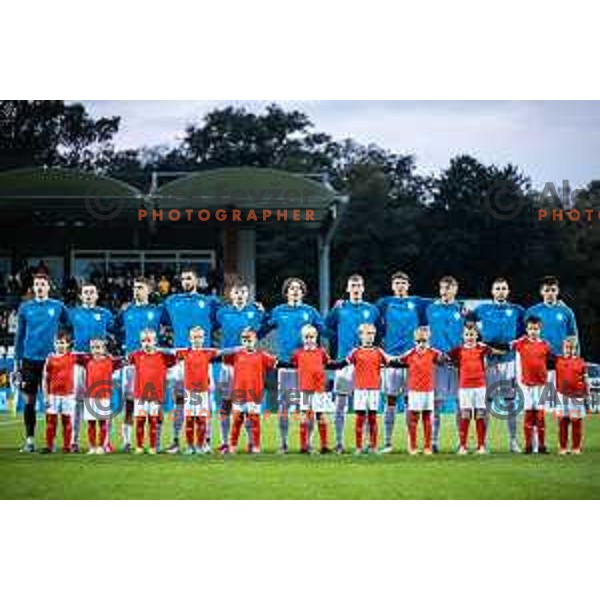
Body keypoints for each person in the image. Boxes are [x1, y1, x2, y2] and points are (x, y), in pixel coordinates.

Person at [162, 268, 221, 454]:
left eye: (189, 278)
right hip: (180, 359)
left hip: (203, 359)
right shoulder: (171, 301)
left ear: (196, 280)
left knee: (207, 402)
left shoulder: (209, 302)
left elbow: (219, 320)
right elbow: (164, 320)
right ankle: (176, 440)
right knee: (178, 401)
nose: (186, 281)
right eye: (183, 279)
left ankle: (207, 440)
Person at [263, 278, 324, 453]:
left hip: (307, 366)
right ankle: (283, 444)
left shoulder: (310, 311)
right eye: (291, 288)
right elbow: (263, 328)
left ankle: (308, 443)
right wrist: (259, 313)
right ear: (286, 292)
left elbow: (325, 330)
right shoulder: (278, 311)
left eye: (298, 288)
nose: (295, 291)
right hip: (287, 366)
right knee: (284, 406)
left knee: (307, 407)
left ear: (303, 292)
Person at [14, 272, 70, 452]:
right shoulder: (25, 307)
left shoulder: (58, 306)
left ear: (48, 287)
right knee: (29, 400)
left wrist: (66, 346)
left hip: (52, 361)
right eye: (36, 284)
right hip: (29, 360)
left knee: (51, 402)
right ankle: (29, 440)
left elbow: (70, 325)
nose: (39, 287)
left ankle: (51, 443)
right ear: (33, 287)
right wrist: (17, 360)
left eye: (42, 284)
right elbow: (19, 335)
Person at [468, 277, 525, 452]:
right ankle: (482, 443)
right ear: (492, 292)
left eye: (504, 288)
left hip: (509, 360)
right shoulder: (483, 309)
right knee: (487, 402)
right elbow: (468, 321)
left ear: (508, 291)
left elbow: (527, 331)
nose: (501, 291)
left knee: (509, 402)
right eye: (498, 288)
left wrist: (513, 344)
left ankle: (513, 441)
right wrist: (480, 338)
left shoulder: (517, 310)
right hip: (489, 361)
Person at [326, 274, 380, 454]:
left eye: (359, 285)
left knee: (366, 408)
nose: (356, 288)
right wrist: (338, 339)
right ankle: (339, 442)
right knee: (340, 404)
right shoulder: (340, 308)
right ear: (348, 289)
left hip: (366, 364)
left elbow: (380, 330)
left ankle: (366, 444)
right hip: (344, 363)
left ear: (363, 288)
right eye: (353, 285)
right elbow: (326, 327)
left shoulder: (372, 309)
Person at [376, 271, 428, 452]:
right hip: (391, 359)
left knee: (409, 402)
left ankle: (410, 442)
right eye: (397, 283)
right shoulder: (384, 303)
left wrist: (461, 307)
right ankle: (388, 443)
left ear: (408, 285)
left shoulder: (417, 302)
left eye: (403, 283)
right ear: (392, 286)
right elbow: (373, 325)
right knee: (390, 400)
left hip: (413, 360)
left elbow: (439, 304)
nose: (400, 286)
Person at [214, 279, 266, 453]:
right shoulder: (222, 313)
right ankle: (224, 441)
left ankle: (252, 442)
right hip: (227, 366)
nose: (239, 296)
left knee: (249, 407)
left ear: (247, 294)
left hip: (248, 366)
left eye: (243, 292)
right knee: (226, 403)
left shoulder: (256, 312)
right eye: (236, 292)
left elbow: (262, 331)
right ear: (230, 294)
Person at [114, 278, 166, 452]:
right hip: (131, 364)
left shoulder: (158, 311)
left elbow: (171, 324)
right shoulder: (126, 311)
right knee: (129, 404)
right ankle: (127, 442)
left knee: (156, 404)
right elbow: (114, 328)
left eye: (141, 288)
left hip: (153, 363)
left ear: (149, 290)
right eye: (135, 288)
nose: (136, 291)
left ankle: (155, 443)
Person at [68, 281, 115, 452]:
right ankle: (74, 441)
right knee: (77, 402)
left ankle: (105, 442)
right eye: (85, 292)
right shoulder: (72, 313)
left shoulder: (105, 314)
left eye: (91, 292)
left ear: (97, 295)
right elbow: (65, 332)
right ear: (81, 296)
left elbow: (113, 331)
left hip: (100, 362)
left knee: (104, 403)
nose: (88, 295)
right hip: (79, 361)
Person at [448, 324, 503, 454]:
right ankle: (462, 446)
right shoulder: (458, 350)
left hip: (480, 386)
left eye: (472, 335)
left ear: (477, 335)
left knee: (480, 414)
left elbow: (496, 352)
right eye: (467, 335)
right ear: (463, 336)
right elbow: (446, 358)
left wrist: (502, 351)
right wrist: (452, 365)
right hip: (464, 386)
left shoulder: (482, 348)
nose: (469, 337)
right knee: (465, 414)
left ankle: (481, 446)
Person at [525, 276, 579, 406]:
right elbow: (525, 337)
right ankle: (539, 425)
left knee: (561, 400)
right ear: (541, 292)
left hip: (561, 359)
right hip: (539, 361)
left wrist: (573, 358)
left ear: (557, 291)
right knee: (539, 400)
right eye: (547, 290)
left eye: (553, 290)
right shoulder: (532, 311)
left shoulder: (566, 311)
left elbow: (572, 336)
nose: (550, 293)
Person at [426, 275, 465, 452]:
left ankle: (461, 442)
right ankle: (433, 442)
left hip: (458, 363)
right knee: (436, 404)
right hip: (437, 363)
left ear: (455, 290)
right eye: (442, 288)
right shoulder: (430, 308)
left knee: (460, 403)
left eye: (449, 288)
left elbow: (471, 334)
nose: (445, 291)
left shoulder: (462, 309)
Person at [223, 328, 277, 454]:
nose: (247, 342)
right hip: (238, 392)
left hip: (255, 393)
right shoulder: (236, 355)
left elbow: (275, 363)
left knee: (254, 421)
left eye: (249, 339)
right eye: (244, 340)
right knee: (237, 420)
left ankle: (255, 446)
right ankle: (233, 445)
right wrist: (236, 348)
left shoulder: (262, 355)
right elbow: (223, 355)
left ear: (255, 340)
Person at [287, 324, 336, 454]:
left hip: (319, 389)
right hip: (305, 389)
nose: (309, 339)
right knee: (304, 416)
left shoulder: (322, 352)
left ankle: (324, 446)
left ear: (316, 337)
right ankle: (303, 446)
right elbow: (293, 363)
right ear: (302, 338)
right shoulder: (298, 353)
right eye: (306, 337)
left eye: (311, 337)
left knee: (320, 415)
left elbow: (327, 362)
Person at [128, 329, 177, 454]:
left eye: (149, 340)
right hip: (140, 394)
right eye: (143, 340)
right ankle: (139, 446)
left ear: (155, 341)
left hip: (155, 395)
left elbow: (175, 358)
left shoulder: (163, 356)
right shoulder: (136, 356)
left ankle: (153, 447)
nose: (146, 343)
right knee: (140, 420)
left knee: (153, 421)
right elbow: (127, 360)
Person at [346, 323, 391, 454]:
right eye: (366, 334)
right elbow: (343, 363)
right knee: (360, 417)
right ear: (360, 335)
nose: (369, 337)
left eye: (371, 334)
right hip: (360, 389)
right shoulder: (355, 352)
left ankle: (373, 446)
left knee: (372, 417)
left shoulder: (379, 351)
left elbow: (391, 362)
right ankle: (359, 447)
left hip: (374, 389)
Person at [175, 326, 220, 455]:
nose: (197, 340)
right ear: (189, 339)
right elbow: (168, 351)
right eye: (194, 337)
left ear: (204, 338)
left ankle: (200, 446)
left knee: (201, 419)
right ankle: (190, 446)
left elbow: (224, 352)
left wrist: (240, 348)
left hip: (203, 392)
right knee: (189, 419)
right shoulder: (184, 353)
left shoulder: (207, 353)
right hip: (189, 392)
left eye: (200, 337)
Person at [512, 316, 553, 454]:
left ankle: (541, 445)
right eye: (530, 329)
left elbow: (551, 363)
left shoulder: (545, 345)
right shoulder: (521, 343)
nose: (533, 331)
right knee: (529, 414)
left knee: (540, 415)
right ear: (526, 329)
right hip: (526, 384)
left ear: (540, 329)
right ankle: (529, 445)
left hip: (541, 384)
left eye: (536, 329)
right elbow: (507, 347)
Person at [400, 327, 443, 455]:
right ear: (414, 341)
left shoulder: (434, 353)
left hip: (428, 391)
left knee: (427, 418)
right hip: (414, 391)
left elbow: (444, 359)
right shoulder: (410, 354)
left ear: (428, 340)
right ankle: (412, 446)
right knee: (414, 418)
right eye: (418, 341)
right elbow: (396, 362)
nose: (421, 344)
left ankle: (427, 446)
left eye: (424, 341)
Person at [77, 338, 123, 454]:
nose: (95, 350)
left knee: (102, 423)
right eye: (92, 347)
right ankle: (92, 447)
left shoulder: (110, 361)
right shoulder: (87, 361)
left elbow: (124, 360)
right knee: (91, 424)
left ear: (104, 349)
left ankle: (102, 446)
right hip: (90, 397)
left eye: (98, 347)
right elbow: (74, 356)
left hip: (104, 397)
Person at [40, 331, 78, 453]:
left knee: (67, 421)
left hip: (68, 395)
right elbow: (45, 379)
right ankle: (49, 446)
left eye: (62, 343)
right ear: (54, 344)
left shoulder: (73, 357)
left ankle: (67, 446)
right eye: (57, 342)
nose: (59, 345)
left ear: (68, 344)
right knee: (51, 422)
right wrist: (45, 396)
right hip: (53, 395)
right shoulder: (50, 358)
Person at [555, 337, 589, 454]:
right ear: (563, 348)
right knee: (562, 421)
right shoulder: (558, 360)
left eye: (572, 348)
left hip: (576, 397)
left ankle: (576, 447)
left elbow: (585, 379)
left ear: (576, 349)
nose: (569, 350)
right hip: (562, 396)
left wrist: (587, 393)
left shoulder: (581, 362)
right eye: (567, 347)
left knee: (576, 422)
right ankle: (563, 447)